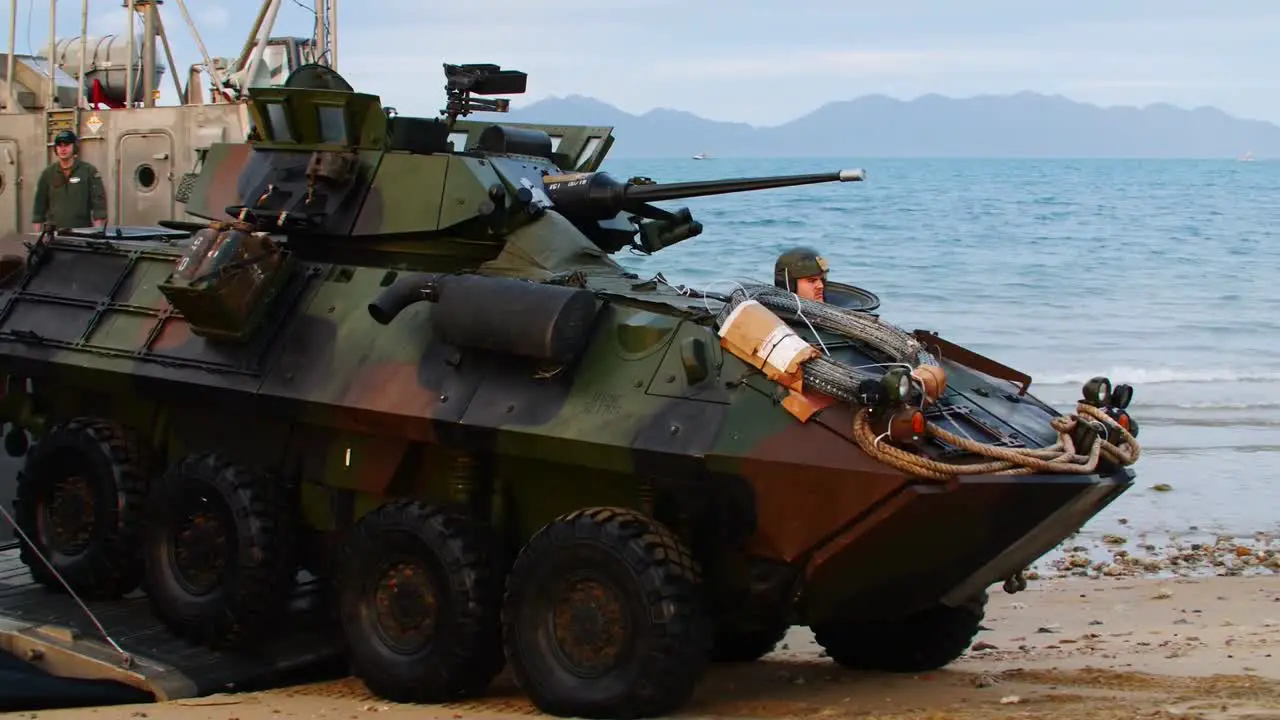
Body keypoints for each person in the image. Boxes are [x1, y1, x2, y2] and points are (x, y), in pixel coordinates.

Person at [31, 130, 107, 233]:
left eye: (66, 145)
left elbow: (99, 206)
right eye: (59, 145)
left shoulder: (88, 171)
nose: (63, 149)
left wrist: (97, 232)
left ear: (74, 147)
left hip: (82, 232)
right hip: (54, 234)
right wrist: (37, 235)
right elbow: (38, 208)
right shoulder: (48, 174)